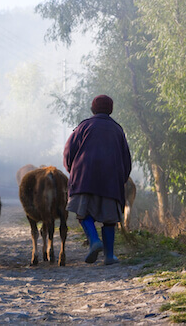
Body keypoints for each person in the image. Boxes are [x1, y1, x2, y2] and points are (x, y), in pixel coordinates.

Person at [63, 95, 132, 265]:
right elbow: (126, 160)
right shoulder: (118, 130)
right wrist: (120, 179)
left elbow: (68, 152)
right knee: (110, 219)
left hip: (85, 178)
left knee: (83, 213)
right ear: (111, 109)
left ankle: (94, 241)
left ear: (93, 109)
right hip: (111, 181)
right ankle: (109, 256)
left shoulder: (84, 126)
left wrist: (73, 172)